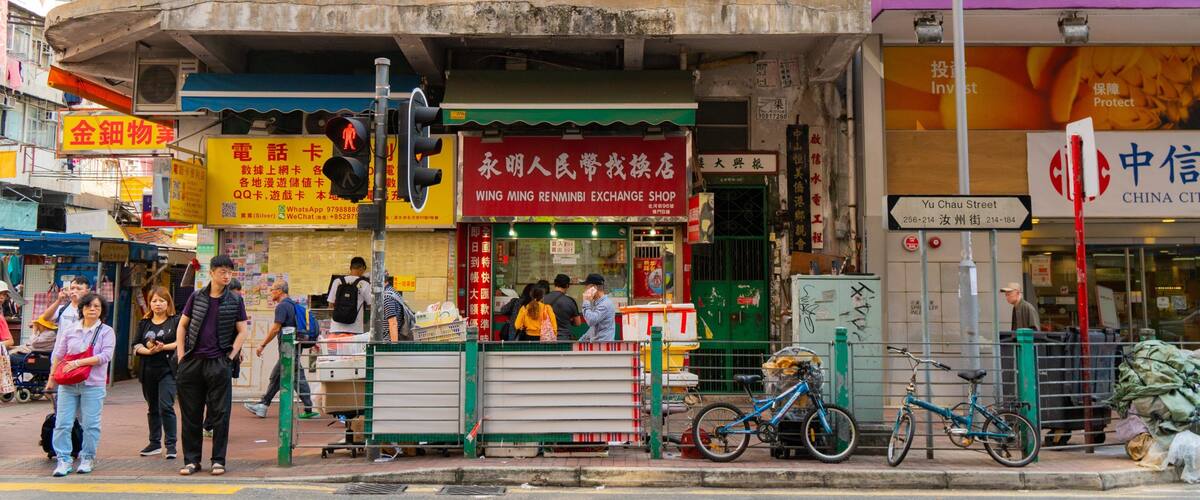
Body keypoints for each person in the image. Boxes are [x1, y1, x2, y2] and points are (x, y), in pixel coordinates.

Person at [175, 255, 250, 477]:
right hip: (192, 362)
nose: (226, 276)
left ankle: (218, 460)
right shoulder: (196, 297)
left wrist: (229, 358)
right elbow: (182, 326)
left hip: (219, 363)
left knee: (220, 414)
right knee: (191, 414)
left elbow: (243, 330)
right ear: (212, 273)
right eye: (222, 272)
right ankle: (191, 461)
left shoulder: (235, 300)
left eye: (230, 272)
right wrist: (181, 357)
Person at [46, 292, 116, 477]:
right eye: (88, 306)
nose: (92, 309)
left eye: (97, 307)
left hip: (93, 384)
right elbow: (59, 355)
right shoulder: (70, 330)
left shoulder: (106, 331)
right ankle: (63, 459)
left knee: (91, 424)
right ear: (81, 308)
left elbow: (105, 357)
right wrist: (52, 376)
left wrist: (78, 363)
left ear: (102, 311)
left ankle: (87, 458)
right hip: (67, 384)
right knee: (62, 423)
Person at [243, 280, 317, 419]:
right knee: (297, 378)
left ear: (279, 291)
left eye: (272, 290)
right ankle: (308, 409)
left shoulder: (282, 307)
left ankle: (263, 405)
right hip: (294, 347)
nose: (270, 292)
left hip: (288, 350)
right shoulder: (293, 305)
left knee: (277, 376)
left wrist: (262, 345)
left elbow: (276, 328)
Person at [134, 287, 180, 459]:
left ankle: (171, 445)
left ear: (168, 303)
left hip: (168, 369)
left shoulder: (175, 321)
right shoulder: (144, 323)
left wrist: (162, 347)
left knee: (166, 406)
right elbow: (136, 344)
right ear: (150, 303)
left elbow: (180, 342)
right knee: (152, 407)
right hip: (148, 370)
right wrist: (148, 351)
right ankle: (154, 443)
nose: (158, 304)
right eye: (154, 300)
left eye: (162, 300)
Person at [204, 278, 242, 439]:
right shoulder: (216, 305)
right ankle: (210, 425)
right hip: (217, 356)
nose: (237, 297)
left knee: (220, 393)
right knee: (214, 393)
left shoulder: (236, 305)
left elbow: (239, 331)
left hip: (227, 356)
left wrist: (237, 351)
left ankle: (212, 425)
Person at [326, 257, 372, 336]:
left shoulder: (337, 282)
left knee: (336, 349)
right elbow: (371, 305)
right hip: (355, 329)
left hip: (336, 328)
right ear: (363, 268)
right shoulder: (364, 284)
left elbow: (330, 305)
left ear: (350, 268)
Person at [543, 274, 582, 341]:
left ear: (554, 284)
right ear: (567, 286)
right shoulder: (570, 301)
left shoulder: (543, 299)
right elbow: (578, 323)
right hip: (564, 338)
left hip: (546, 337)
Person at [579, 274, 616, 342]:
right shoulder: (597, 303)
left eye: (587, 287)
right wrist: (581, 340)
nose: (585, 290)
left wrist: (586, 301)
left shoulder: (605, 304)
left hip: (603, 347)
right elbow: (592, 328)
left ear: (594, 288)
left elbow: (591, 321)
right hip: (597, 345)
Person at [381, 274, 415, 342]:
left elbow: (393, 322)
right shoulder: (393, 291)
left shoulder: (387, 297)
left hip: (389, 341)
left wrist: (394, 345)